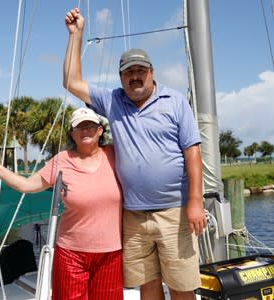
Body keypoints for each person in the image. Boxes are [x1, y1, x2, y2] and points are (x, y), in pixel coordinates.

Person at [63, 8, 206, 300]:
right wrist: (76, 35)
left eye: (140, 71)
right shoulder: (112, 100)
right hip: (134, 216)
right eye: (129, 72)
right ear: (121, 77)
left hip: (174, 212)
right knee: (147, 285)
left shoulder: (175, 101)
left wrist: (195, 202)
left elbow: (192, 153)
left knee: (181, 286)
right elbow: (71, 82)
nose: (135, 77)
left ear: (152, 73)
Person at [0, 107, 123, 299]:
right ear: (72, 133)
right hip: (71, 254)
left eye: (90, 126)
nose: (85, 131)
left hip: (111, 253)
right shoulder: (62, 160)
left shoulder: (115, 155)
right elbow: (27, 185)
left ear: (100, 131)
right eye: (80, 127)